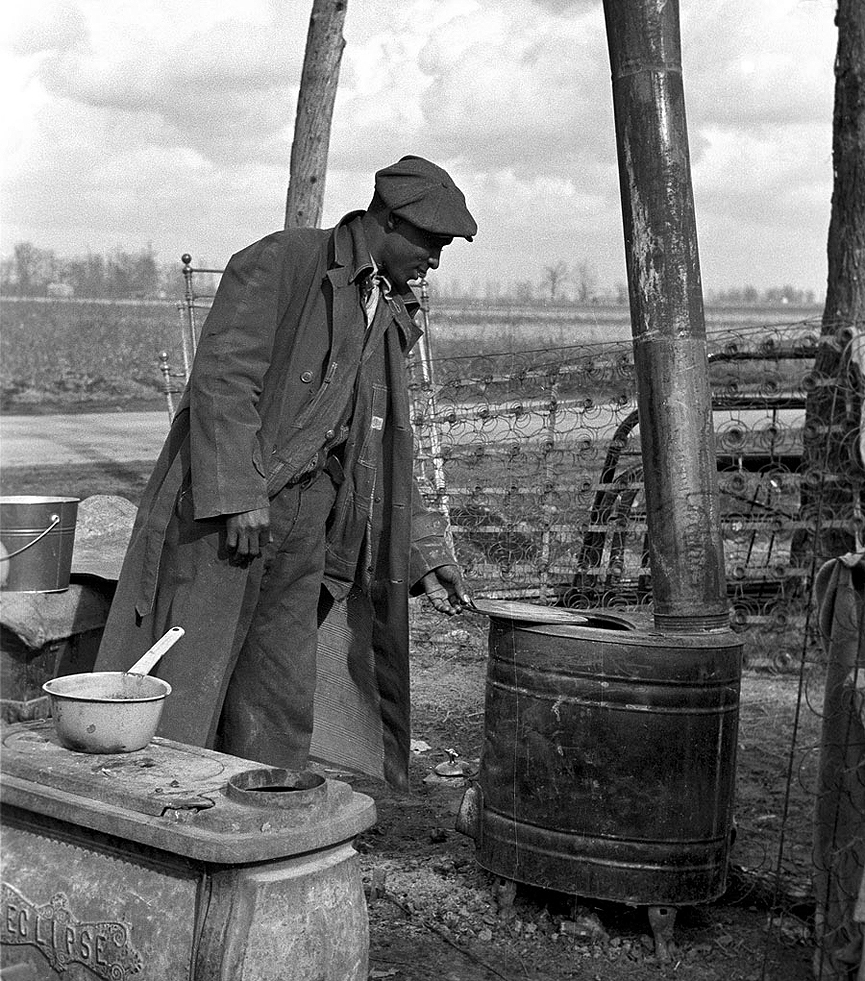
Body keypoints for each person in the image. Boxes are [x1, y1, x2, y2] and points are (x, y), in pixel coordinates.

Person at [95, 155, 477, 789]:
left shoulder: (385, 307)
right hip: (230, 519)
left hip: (308, 523)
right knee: (188, 672)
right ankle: (161, 813)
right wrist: (239, 494)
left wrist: (423, 549)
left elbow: (384, 447)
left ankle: (266, 814)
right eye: (431, 242)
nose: (434, 260)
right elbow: (223, 382)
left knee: (279, 683)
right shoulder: (283, 262)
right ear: (387, 219)